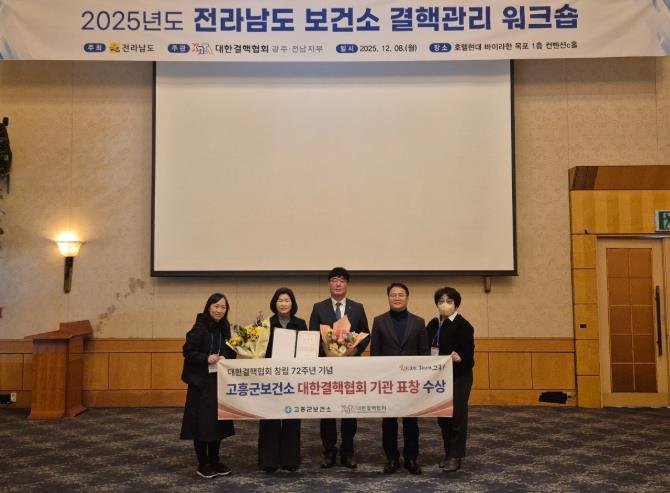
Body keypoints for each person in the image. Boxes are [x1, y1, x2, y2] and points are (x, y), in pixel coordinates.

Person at [309, 266, 369, 469]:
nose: (338, 284)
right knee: (327, 411)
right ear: (329, 284)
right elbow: (312, 337)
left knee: (349, 411)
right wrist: (328, 352)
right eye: (334, 280)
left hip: (350, 368)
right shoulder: (319, 308)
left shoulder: (357, 308)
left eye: (342, 280)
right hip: (326, 369)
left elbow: (365, 334)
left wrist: (355, 349)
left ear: (347, 284)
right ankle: (329, 451)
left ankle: (348, 451)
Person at [370, 282, 428, 475]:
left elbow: (424, 352)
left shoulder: (418, 322)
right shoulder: (379, 321)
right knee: (389, 422)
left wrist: (421, 377)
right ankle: (392, 458)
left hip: (411, 382)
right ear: (388, 298)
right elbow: (375, 353)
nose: (397, 298)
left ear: (407, 298)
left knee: (411, 422)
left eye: (401, 295)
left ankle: (411, 458)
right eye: (393, 295)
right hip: (388, 381)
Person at [180, 293, 236, 479]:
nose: (219, 310)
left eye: (223, 307)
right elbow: (188, 352)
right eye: (216, 306)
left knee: (217, 423)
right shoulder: (200, 327)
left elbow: (231, 350)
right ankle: (202, 463)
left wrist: (226, 356)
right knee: (201, 424)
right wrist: (206, 358)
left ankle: (215, 460)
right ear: (208, 307)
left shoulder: (225, 327)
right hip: (201, 383)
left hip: (219, 381)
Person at [258, 287, 307, 473]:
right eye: (280, 300)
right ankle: (268, 460)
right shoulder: (265, 325)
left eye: (287, 300)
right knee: (270, 418)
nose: (284, 304)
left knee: (291, 417)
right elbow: (259, 352)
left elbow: (306, 350)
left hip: (293, 378)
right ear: (274, 303)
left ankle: (290, 459)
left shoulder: (300, 323)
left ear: (292, 303)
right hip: (270, 378)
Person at [426, 287, 475, 472]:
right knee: (443, 417)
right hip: (439, 378)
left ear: (456, 304)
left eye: (449, 301)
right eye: (441, 301)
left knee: (457, 417)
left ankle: (456, 455)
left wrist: (460, 356)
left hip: (459, 376)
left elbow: (468, 353)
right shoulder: (433, 324)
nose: (444, 305)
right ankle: (448, 452)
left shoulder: (464, 325)